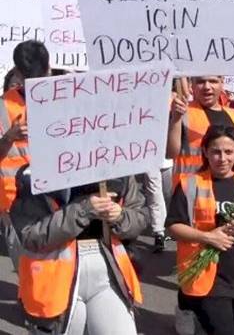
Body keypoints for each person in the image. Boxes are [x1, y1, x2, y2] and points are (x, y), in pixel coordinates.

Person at [11, 166, 146, 335]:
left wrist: (120, 217)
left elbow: (140, 219)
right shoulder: (35, 173)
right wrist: (84, 210)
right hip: (56, 282)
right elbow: (31, 235)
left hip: (108, 273)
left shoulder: (119, 168)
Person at [167, 126, 234, 335]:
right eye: (216, 152)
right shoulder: (189, 184)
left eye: (228, 152)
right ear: (205, 152)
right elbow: (174, 227)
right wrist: (207, 237)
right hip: (208, 276)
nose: (222, 158)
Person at [0, 40, 50, 271]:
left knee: (53, 271)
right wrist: (9, 137)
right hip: (15, 204)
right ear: (18, 73)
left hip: (55, 201)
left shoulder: (61, 100)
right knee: (27, 270)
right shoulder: (3, 107)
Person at [167, 76, 234, 181]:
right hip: (191, 189)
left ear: (222, 83)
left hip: (232, 189)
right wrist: (176, 119)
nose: (207, 87)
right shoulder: (181, 112)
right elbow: (170, 153)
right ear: (192, 84)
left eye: (213, 81)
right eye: (201, 82)